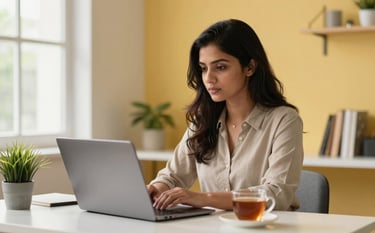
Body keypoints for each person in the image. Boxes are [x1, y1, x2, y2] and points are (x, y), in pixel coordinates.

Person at [147, 19, 304, 211]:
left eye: (220, 67)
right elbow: (173, 176)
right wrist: (155, 189)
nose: (208, 78)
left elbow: (276, 194)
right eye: (203, 68)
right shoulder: (203, 121)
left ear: (250, 67)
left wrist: (204, 198)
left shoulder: (284, 120)